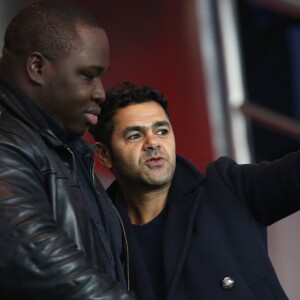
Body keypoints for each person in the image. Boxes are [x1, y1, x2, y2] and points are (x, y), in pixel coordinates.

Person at [89, 81, 300, 300]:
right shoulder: (98, 234)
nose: (153, 143)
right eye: (135, 135)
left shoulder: (228, 190)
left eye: (161, 131)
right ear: (104, 155)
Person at [0, 2, 135, 299]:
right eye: (88, 75)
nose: (100, 92)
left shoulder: (69, 150)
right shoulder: (7, 143)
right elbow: (34, 256)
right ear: (37, 68)